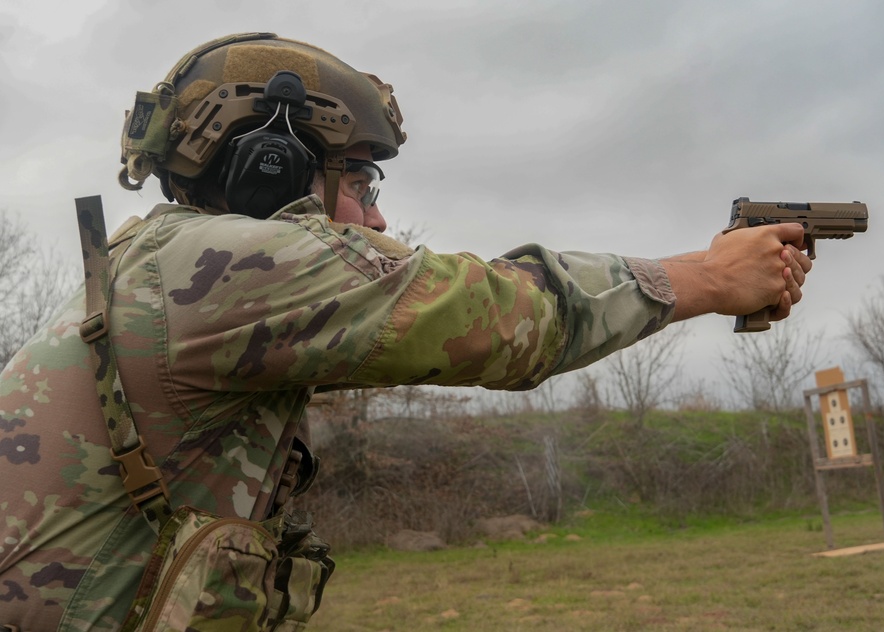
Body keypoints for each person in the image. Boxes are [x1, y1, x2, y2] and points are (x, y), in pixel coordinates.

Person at [0, 32, 811, 630]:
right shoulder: (221, 266)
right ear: (271, 167)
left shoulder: (152, 266)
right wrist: (708, 278)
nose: (377, 213)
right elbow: (504, 318)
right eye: (357, 178)